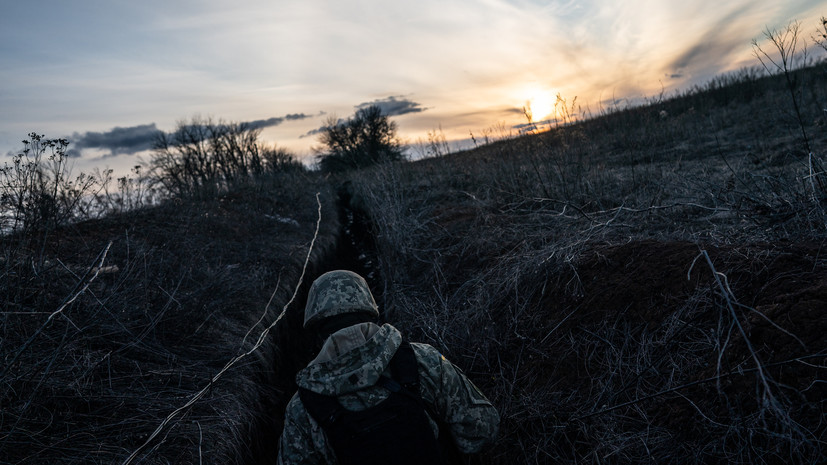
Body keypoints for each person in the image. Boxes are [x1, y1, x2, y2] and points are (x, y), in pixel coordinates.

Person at [277, 270, 499, 465]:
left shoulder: (302, 408)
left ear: (316, 333)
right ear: (372, 312)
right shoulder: (423, 360)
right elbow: (483, 431)